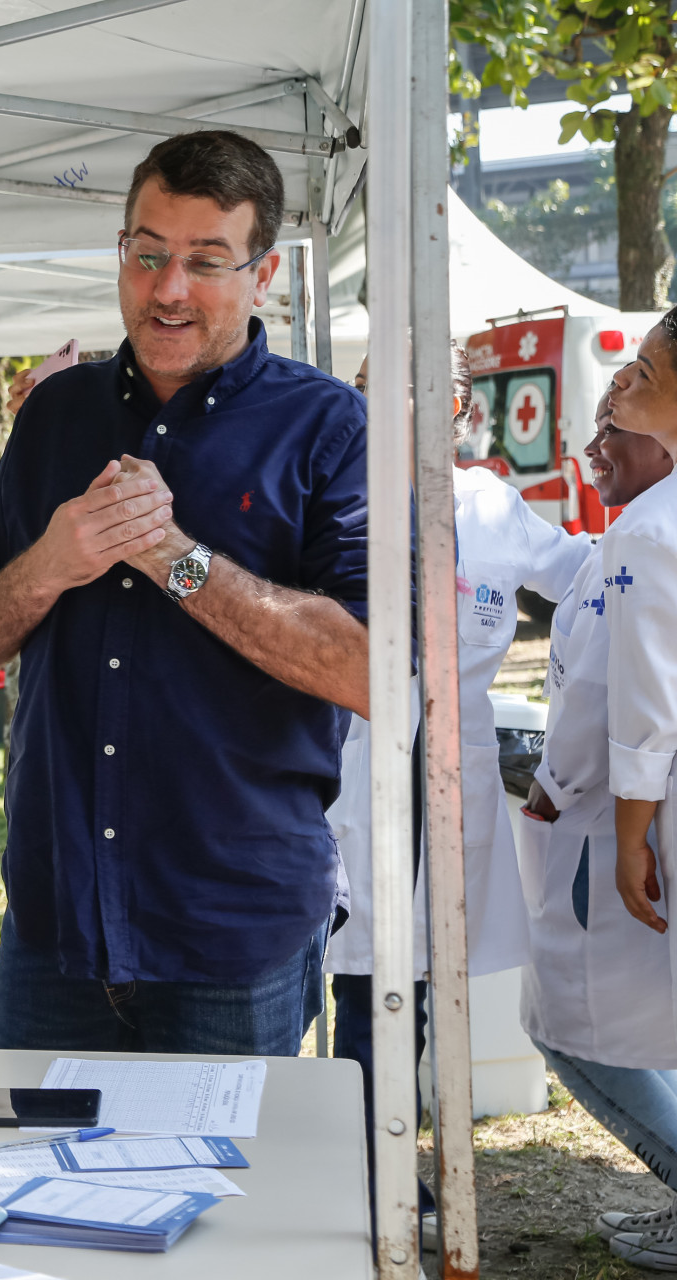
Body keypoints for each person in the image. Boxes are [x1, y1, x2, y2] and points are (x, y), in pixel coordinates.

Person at [0, 129, 368, 1055]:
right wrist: (53, 561)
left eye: (207, 262)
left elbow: (374, 670)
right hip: (55, 930)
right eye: (148, 255)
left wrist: (177, 560)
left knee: (229, 1201)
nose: (169, 288)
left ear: (265, 277)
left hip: (231, 930)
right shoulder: (57, 415)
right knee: (33, 1197)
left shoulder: (327, 426)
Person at [329, 344, 587, 1246]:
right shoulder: (331, 492)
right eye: (376, 390)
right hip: (355, 753)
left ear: (457, 411)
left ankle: (410, 1165)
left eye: (419, 395)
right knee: (359, 982)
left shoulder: (491, 507)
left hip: (454, 761)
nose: (395, 409)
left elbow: (590, 583)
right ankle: (360, 1172)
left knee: (430, 983)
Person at [513, 384, 677, 1264]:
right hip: (618, 811)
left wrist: (549, 786)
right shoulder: (629, 532)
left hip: (612, 816)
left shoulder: (648, 534)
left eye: (619, 429)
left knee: (571, 1027)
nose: (595, 444)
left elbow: (607, 700)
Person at [568, 311, 677, 1270]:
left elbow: (647, 701)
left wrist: (633, 839)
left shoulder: (652, 528)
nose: (620, 383)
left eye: (642, 369)